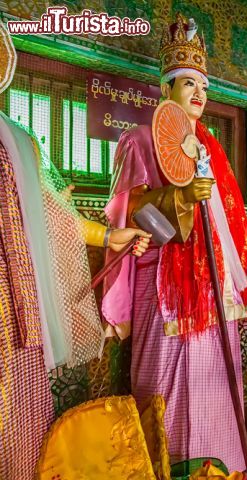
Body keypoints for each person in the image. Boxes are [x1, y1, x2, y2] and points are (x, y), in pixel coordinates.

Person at [102, 14, 247, 472]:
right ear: (167, 86)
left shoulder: (211, 147)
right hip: (164, 286)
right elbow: (127, 211)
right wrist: (179, 195)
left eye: (204, 86)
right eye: (188, 82)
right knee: (163, 383)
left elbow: (229, 219)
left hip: (212, 286)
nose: (199, 94)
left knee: (216, 380)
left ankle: (221, 467)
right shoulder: (140, 140)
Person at [0, 22, 149, 479]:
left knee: (19, 431)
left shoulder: (14, 142)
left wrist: (109, 236)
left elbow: (53, 216)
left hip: (13, 311)